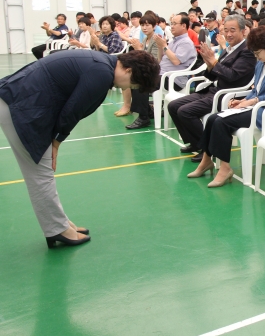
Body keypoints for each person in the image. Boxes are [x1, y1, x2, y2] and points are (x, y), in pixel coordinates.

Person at [0, 50, 159, 247]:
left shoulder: (101, 63)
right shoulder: (101, 73)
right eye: (132, 84)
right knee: (41, 173)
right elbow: (72, 111)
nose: (127, 88)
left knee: (42, 171)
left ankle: (59, 223)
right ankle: (56, 229)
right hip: (20, 106)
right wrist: (56, 143)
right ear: (128, 70)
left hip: (19, 100)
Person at [187, 27, 265, 187]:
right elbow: (256, 90)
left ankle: (225, 168)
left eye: (258, 52)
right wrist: (242, 100)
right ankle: (206, 160)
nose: (256, 56)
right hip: (254, 107)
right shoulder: (260, 64)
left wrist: (250, 102)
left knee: (222, 122)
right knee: (213, 118)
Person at [168, 15, 256, 161]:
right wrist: (209, 64)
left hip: (228, 94)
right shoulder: (228, 49)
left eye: (232, 30)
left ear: (242, 31)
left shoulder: (247, 51)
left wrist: (214, 62)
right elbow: (212, 76)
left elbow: (232, 75)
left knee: (185, 112)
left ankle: (207, 149)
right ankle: (196, 143)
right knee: (173, 106)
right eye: (226, 30)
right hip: (213, 89)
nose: (228, 34)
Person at [127, 14, 196, 129]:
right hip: (163, 75)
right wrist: (161, 47)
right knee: (135, 78)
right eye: (171, 23)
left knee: (142, 81)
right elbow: (160, 60)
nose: (171, 26)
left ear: (184, 26)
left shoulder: (186, 42)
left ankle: (143, 117)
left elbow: (176, 61)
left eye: (174, 24)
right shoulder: (174, 41)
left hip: (174, 79)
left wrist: (164, 46)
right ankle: (148, 111)